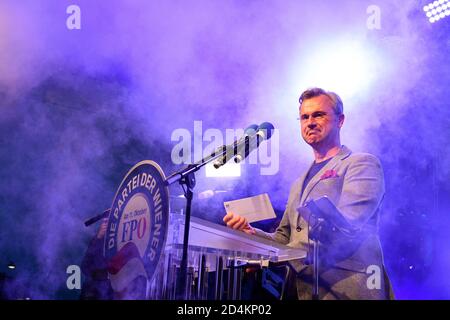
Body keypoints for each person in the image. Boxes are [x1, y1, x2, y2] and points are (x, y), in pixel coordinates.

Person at [223, 87, 394, 300]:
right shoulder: (298, 182)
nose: (310, 122)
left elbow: (345, 228)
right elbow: (284, 237)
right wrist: (253, 236)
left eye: (318, 115)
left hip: (346, 290)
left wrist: (272, 256)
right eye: (304, 117)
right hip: (301, 291)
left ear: (340, 120)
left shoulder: (361, 163)